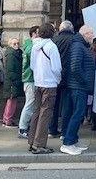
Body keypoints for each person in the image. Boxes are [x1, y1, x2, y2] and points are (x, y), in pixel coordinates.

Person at [60, 25, 96, 156]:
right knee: (78, 114)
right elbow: (75, 67)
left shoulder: (80, 45)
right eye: (91, 33)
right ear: (85, 34)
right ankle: (68, 142)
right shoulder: (78, 46)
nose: (93, 36)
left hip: (77, 86)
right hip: (78, 86)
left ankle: (72, 140)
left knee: (74, 113)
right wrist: (85, 81)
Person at [27, 24, 62, 154]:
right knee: (45, 114)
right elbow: (56, 68)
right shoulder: (52, 47)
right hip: (49, 84)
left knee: (36, 112)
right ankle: (39, 144)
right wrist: (57, 79)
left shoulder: (35, 47)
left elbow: (32, 66)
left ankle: (32, 141)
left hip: (38, 82)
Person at [51, 20, 76, 138]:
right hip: (70, 76)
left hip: (55, 75)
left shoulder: (54, 40)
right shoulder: (75, 40)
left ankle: (52, 128)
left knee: (53, 104)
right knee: (67, 105)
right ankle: (65, 131)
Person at [18, 25, 40, 139]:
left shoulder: (28, 45)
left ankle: (27, 126)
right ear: (34, 34)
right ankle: (22, 128)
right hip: (30, 79)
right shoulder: (30, 46)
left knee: (32, 103)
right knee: (30, 103)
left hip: (31, 79)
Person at [2, 38, 23, 127]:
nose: (16, 45)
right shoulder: (11, 54)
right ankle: (7, 119)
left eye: (17, 43)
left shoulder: (16, 53)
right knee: (11, 100)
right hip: (12, 81)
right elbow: (10, 70)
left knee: (12, 100)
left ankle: (7, 118)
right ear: (10, 44)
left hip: (14, 80)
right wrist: (16, 79)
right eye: (14, 43)